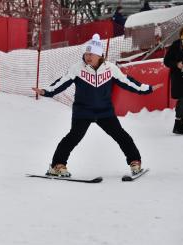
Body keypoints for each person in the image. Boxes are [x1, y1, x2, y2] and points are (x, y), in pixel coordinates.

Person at [32, 34, 162, 177]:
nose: (88, 57)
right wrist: (45, 91)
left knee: (121, 135)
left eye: (91, 54)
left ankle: (135, 162)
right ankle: (57, 165)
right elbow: (61, 83)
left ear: (99, 55)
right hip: (83, 111)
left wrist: (147, 88)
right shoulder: (78, 68)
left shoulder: (110, 68)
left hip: (104, 111)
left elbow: (128, 82)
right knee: (73, 137)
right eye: (86, 54)